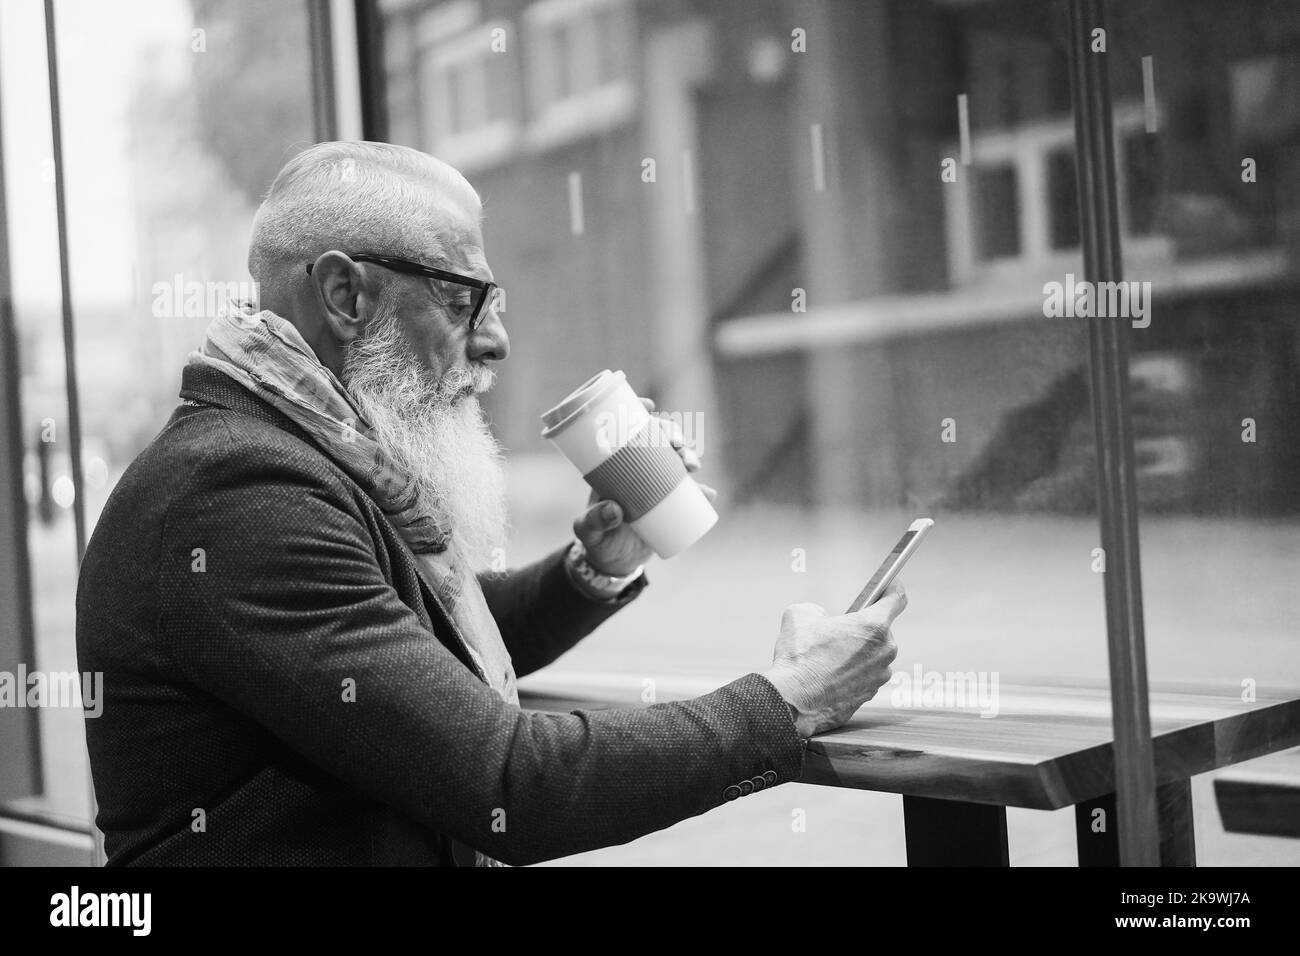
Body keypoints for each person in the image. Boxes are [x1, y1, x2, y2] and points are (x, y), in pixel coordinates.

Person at [75, 141, 905, 866]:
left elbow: (406, 645)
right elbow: (510, 781)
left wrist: (592, 568)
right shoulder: (240, 494)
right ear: (346, 296)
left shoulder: (294, 446)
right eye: (463, 296)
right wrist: (788, 697)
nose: (496, 337)